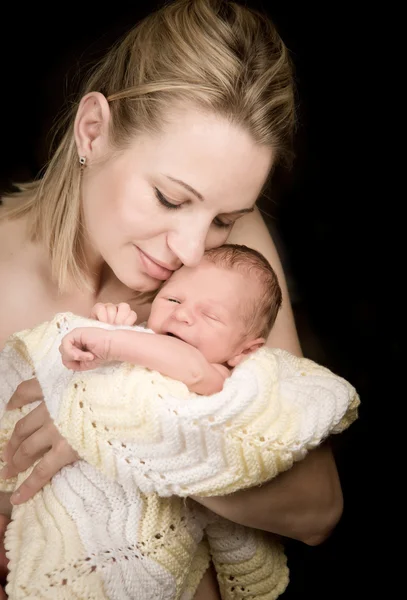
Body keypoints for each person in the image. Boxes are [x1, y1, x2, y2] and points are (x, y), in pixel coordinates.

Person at [0, 0, 343, 597]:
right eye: (169, 197)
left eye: (223, 217)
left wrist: (117, 425)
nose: (191, 252)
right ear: (93, 131)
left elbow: (318, 509)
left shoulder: (228, 256)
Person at [60, 244, 282, 394]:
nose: (181, 314)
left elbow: (192, 370)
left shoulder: (219, 378)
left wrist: (113, 342)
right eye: (173, 300)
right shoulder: (139, 336)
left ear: (244, 352)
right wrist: (105, 327)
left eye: (210, 315)